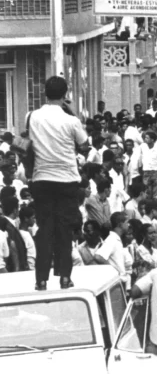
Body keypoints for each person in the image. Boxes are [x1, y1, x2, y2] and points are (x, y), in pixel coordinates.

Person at [29, 76, 87, 290]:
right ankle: (64, 277)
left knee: (45, 229)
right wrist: (69, 110)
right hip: (66, 181)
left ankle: (41, 279)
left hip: (41, 179)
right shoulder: (71, 120)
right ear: (65, 95)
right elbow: (84, 143)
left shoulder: (32, 116)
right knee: (64, 230)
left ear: (45, 93)